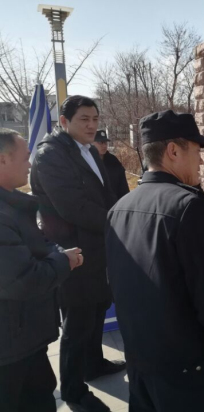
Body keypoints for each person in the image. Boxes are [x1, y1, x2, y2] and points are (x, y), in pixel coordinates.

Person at [105, 110, 204, 412]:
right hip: (187, 372)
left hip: (140, 361)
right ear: (173, 151)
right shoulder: (190, 207)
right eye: (196, 151)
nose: (201, 161)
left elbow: (117, 284)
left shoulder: (119, 208)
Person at [30, 96, 125, 412]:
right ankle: (73, 390)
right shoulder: (50, 155)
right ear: (64, 121)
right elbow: (72, 207)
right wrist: (117, 223)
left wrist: (121, 214)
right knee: (78, 320)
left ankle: (93, 364)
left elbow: (107, 194)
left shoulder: (89, 150)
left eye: (95, 119)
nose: (92, 125)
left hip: (98, 247)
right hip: (74, 251)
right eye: (84, 119)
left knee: (98, 306)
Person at [0, 128, 83, 412]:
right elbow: (23, 279)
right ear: (2, 159)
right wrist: (64, 261)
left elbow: (38, 246)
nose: (30, 164)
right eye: (25, 157)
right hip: (10, 349)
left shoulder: (12, 206)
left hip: (22, 339)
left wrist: (56, 254)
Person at [92, 130, 130, 201]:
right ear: (92, 143)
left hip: (114, 203)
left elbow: (123, 186)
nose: (104, 145)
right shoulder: (88, 161)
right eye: (100, 142)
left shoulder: (113, 161)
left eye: (105, 143)